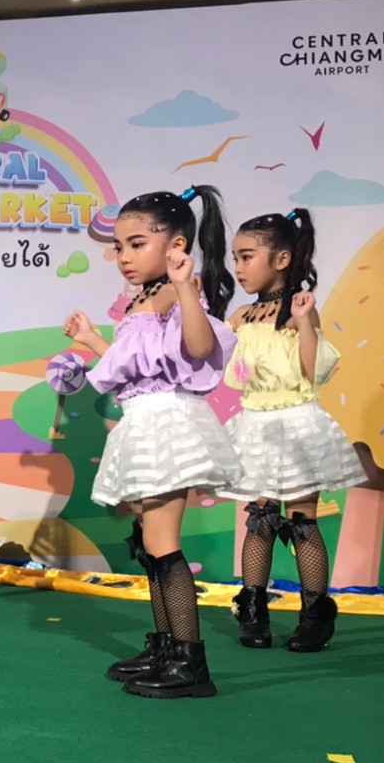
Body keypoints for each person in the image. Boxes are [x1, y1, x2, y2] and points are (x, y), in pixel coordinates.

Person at [64, 187, 240, 698]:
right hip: (143, 419)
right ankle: (167, 646)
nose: (124, 256)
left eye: (137, 244)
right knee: (148, 539)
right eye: (119, 246)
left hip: (167, 423)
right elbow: (136, 366)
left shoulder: (178, 291)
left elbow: (199, 347)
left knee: (163, 542)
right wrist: (92, 340)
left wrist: (185, 287)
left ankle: (190, 662)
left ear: (176, 245)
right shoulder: (141, 300)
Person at [219, 208, 367, 653]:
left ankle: (315, 615)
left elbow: (312, 371)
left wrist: (304, 321)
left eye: (247, 256)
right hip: (256, 424)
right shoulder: (242, 315)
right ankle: (253, 610)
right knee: (259, 519)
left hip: (298, 423)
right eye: (235, 257)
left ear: (281, 259)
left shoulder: (299, 310)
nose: (239, 267)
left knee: (302, 520)